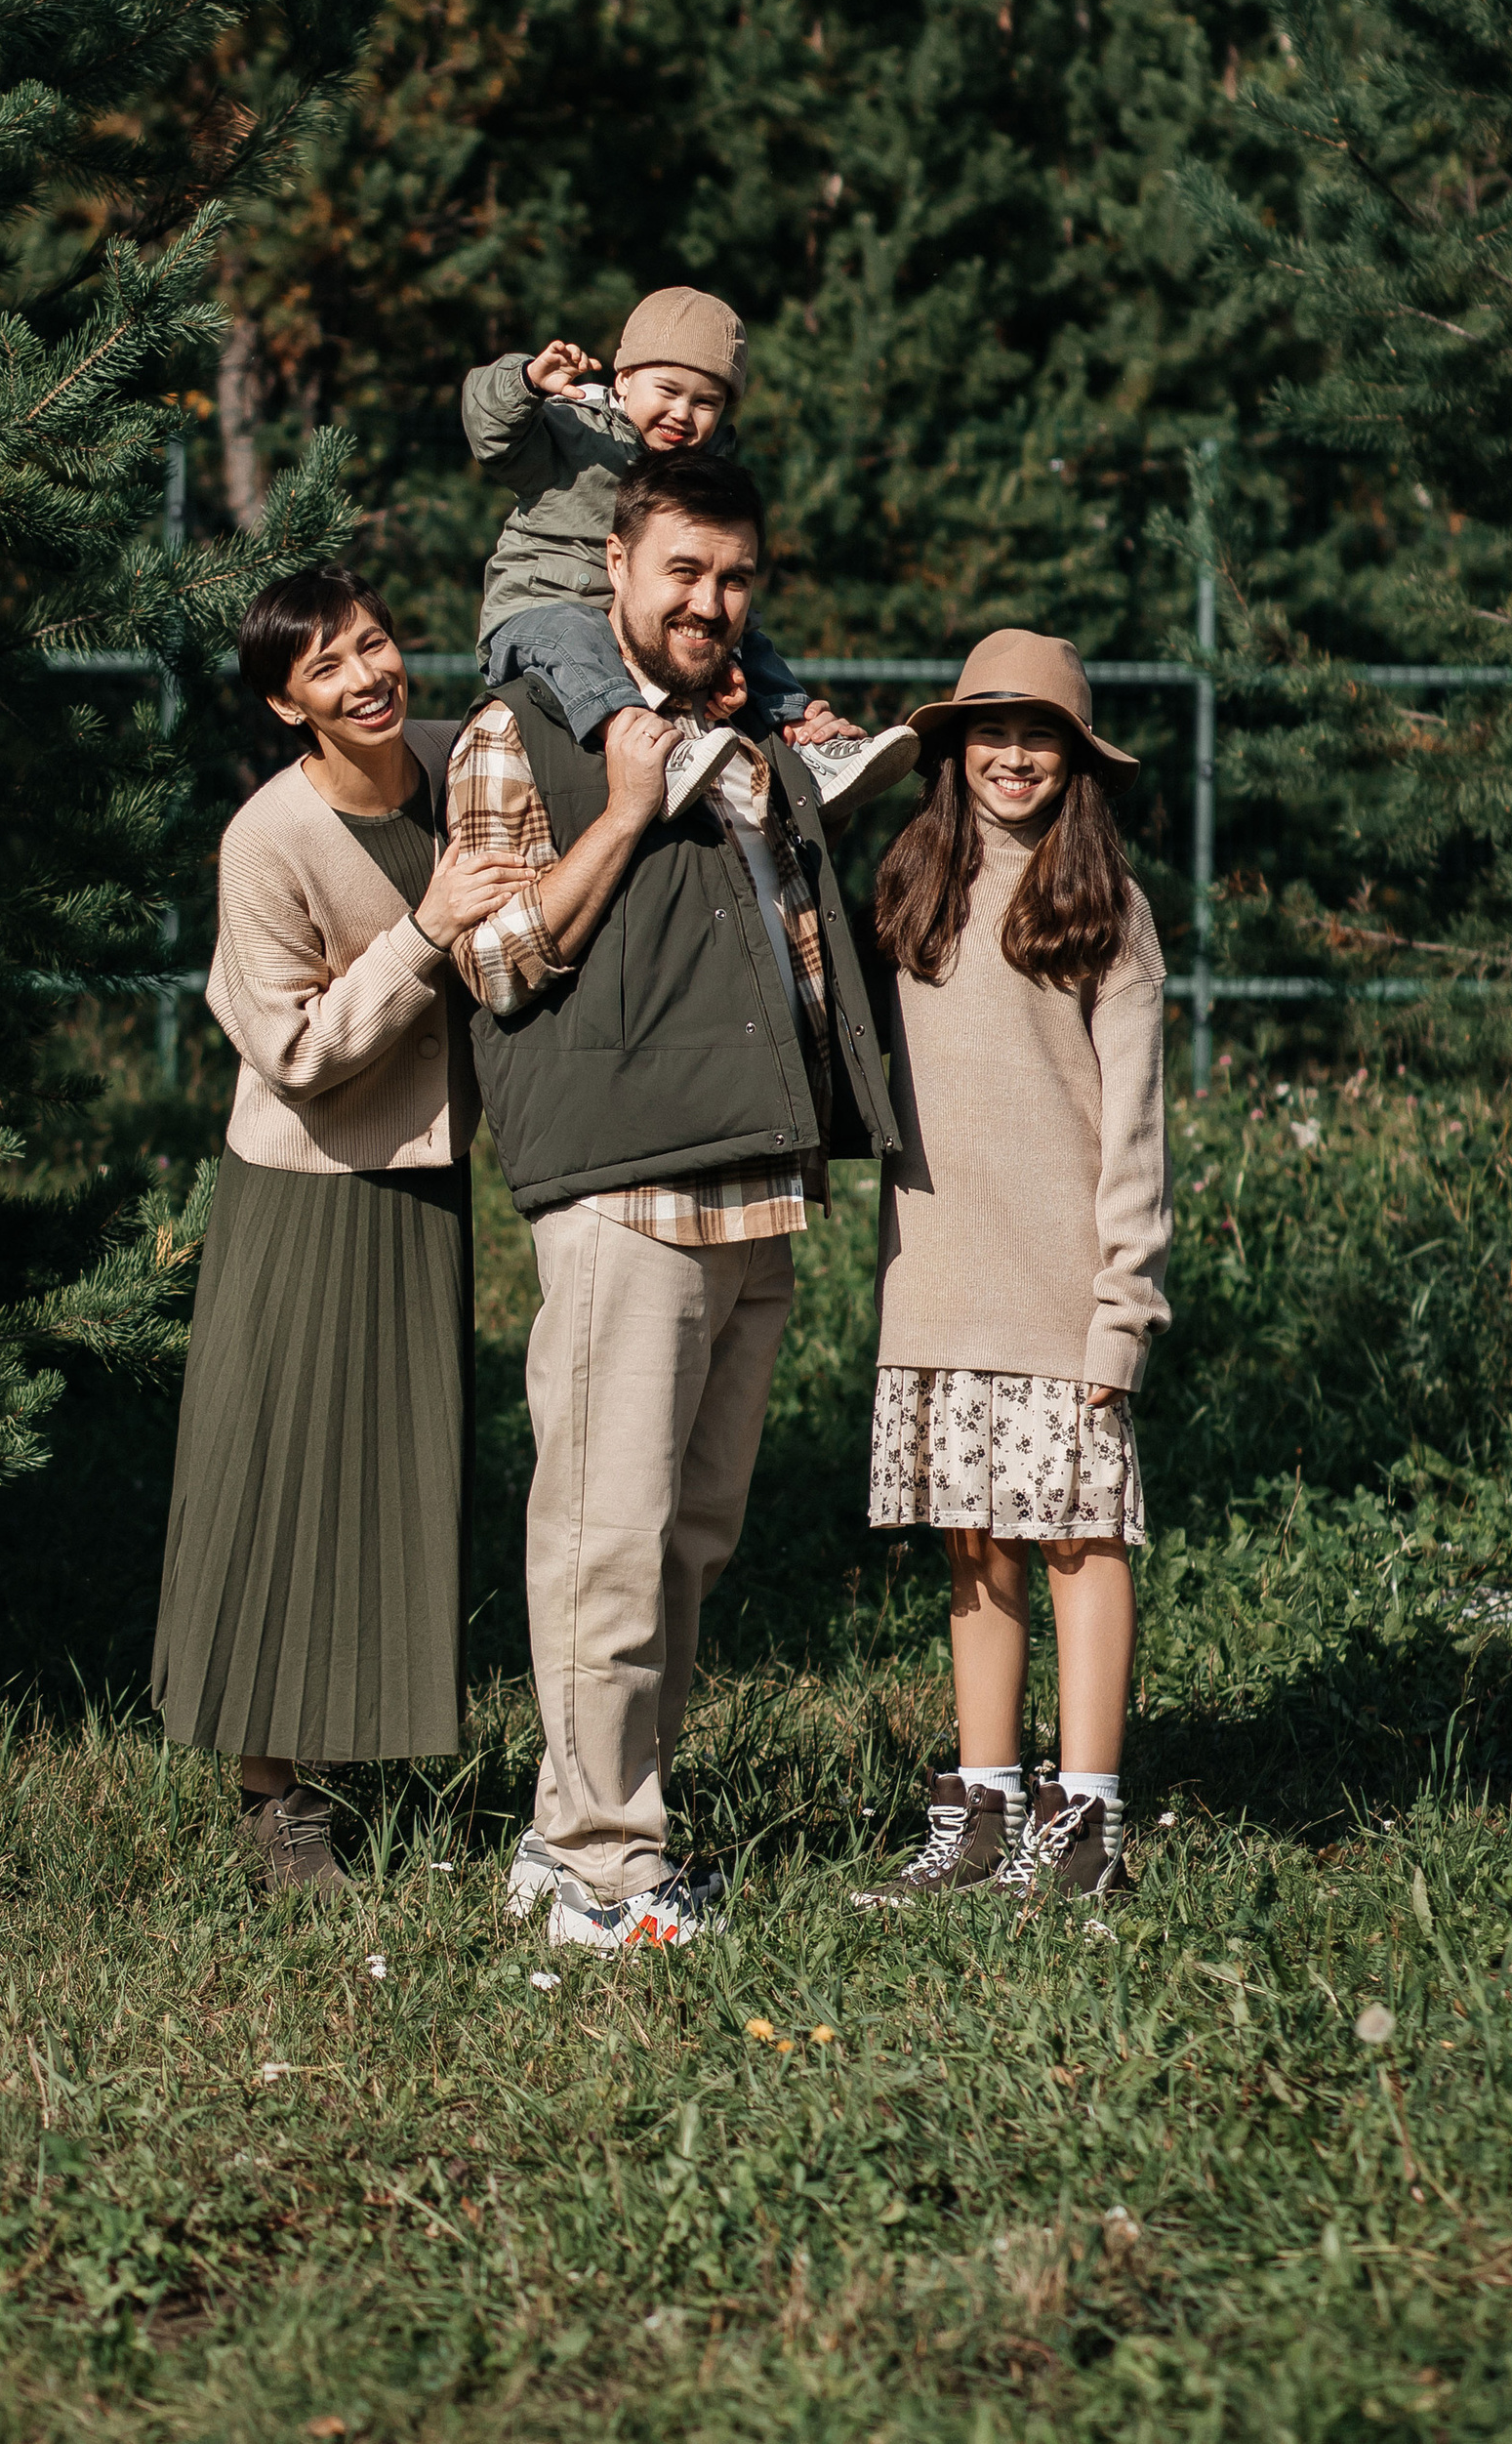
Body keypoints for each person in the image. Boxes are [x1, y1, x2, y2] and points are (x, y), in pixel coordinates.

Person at [443, 441, 901, 1950]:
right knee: (604, 1532)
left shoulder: (753, 728)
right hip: (626, 1190)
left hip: (758, 1185)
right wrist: (627, 810)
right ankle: (594, 1869)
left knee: (689, 1538)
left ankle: (601, 1828)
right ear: (617, 573)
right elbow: (494, 961)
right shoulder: (521, 733)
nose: (710, 600)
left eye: (735, 577)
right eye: (681, 572)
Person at [153, 567, 512, 1900]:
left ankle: (356, 1754)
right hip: (304, 1189)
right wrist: (424, 934)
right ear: (283, 704)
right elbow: (297, 1051)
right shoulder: (269, 839)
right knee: (271, 1480)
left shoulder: (447, 763)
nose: (368, 675)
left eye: (372, 642)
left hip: (422, 1182)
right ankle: (271, 1794)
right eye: (327, 669)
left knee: (390, 1476)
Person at [860, 631, 1171, 1913]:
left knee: (1077, 1540)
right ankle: (983, 1806)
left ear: (1077, 761)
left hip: (1065, 1290)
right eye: (990, 730)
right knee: (975, 1541)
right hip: (934, 1282)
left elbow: (1135, 1129)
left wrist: (1123, 1311)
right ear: (951, 749)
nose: (1013, 755)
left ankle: (1085, 1818)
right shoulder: (910, 886)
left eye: (1040, 734)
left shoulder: (1107, 906)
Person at [461, 283, 915, 820]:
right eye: (668, 390)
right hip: (541, 612)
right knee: (576, 634)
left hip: (647, 623)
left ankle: (809, 743)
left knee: (749, 639)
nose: (683, 413)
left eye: (706, 402)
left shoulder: (704, 468)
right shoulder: (569, 431)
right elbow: (491, 433)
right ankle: (653, 752)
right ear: (623, 380)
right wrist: (527, 382)